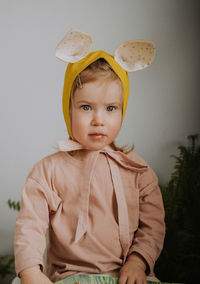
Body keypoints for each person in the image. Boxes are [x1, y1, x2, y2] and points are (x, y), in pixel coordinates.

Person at [14, 32, 165, 284]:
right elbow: (30, 226)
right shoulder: (48, 171)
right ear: (68, 108)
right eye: (86, 107)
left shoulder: (139, 170)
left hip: (127, 276)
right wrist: (30, 272)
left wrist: (138, 262)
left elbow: (152, 226)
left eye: (110, 108)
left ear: (122, 110)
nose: (98, 119)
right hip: (70, 277)